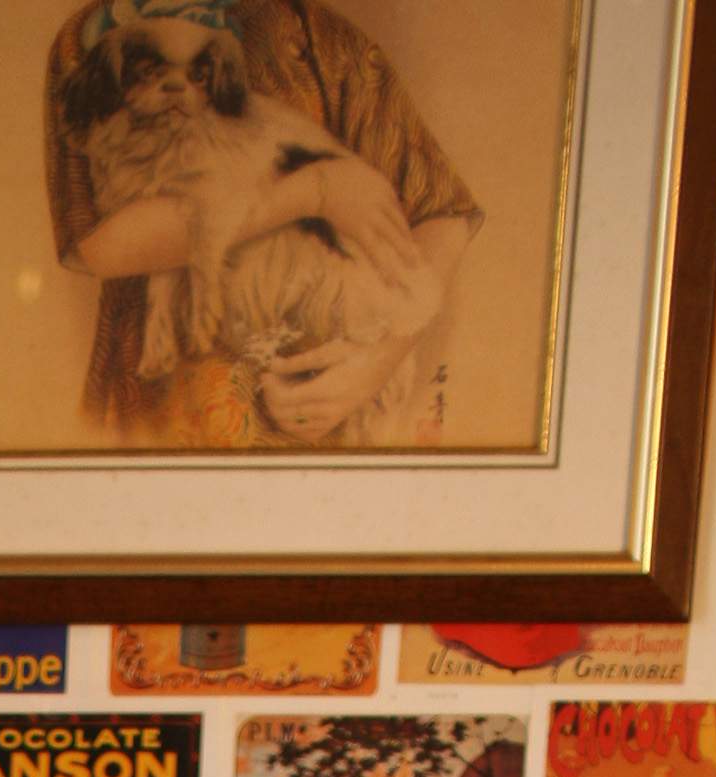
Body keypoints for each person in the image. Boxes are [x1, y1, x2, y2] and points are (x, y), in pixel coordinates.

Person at [44, 0, 478, 450]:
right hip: (159, 414)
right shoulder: (93, 35)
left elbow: (442, 209)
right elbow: (98, 246)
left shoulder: (319, 36)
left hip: (322, 403)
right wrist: (313, 191)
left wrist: (374, 363)